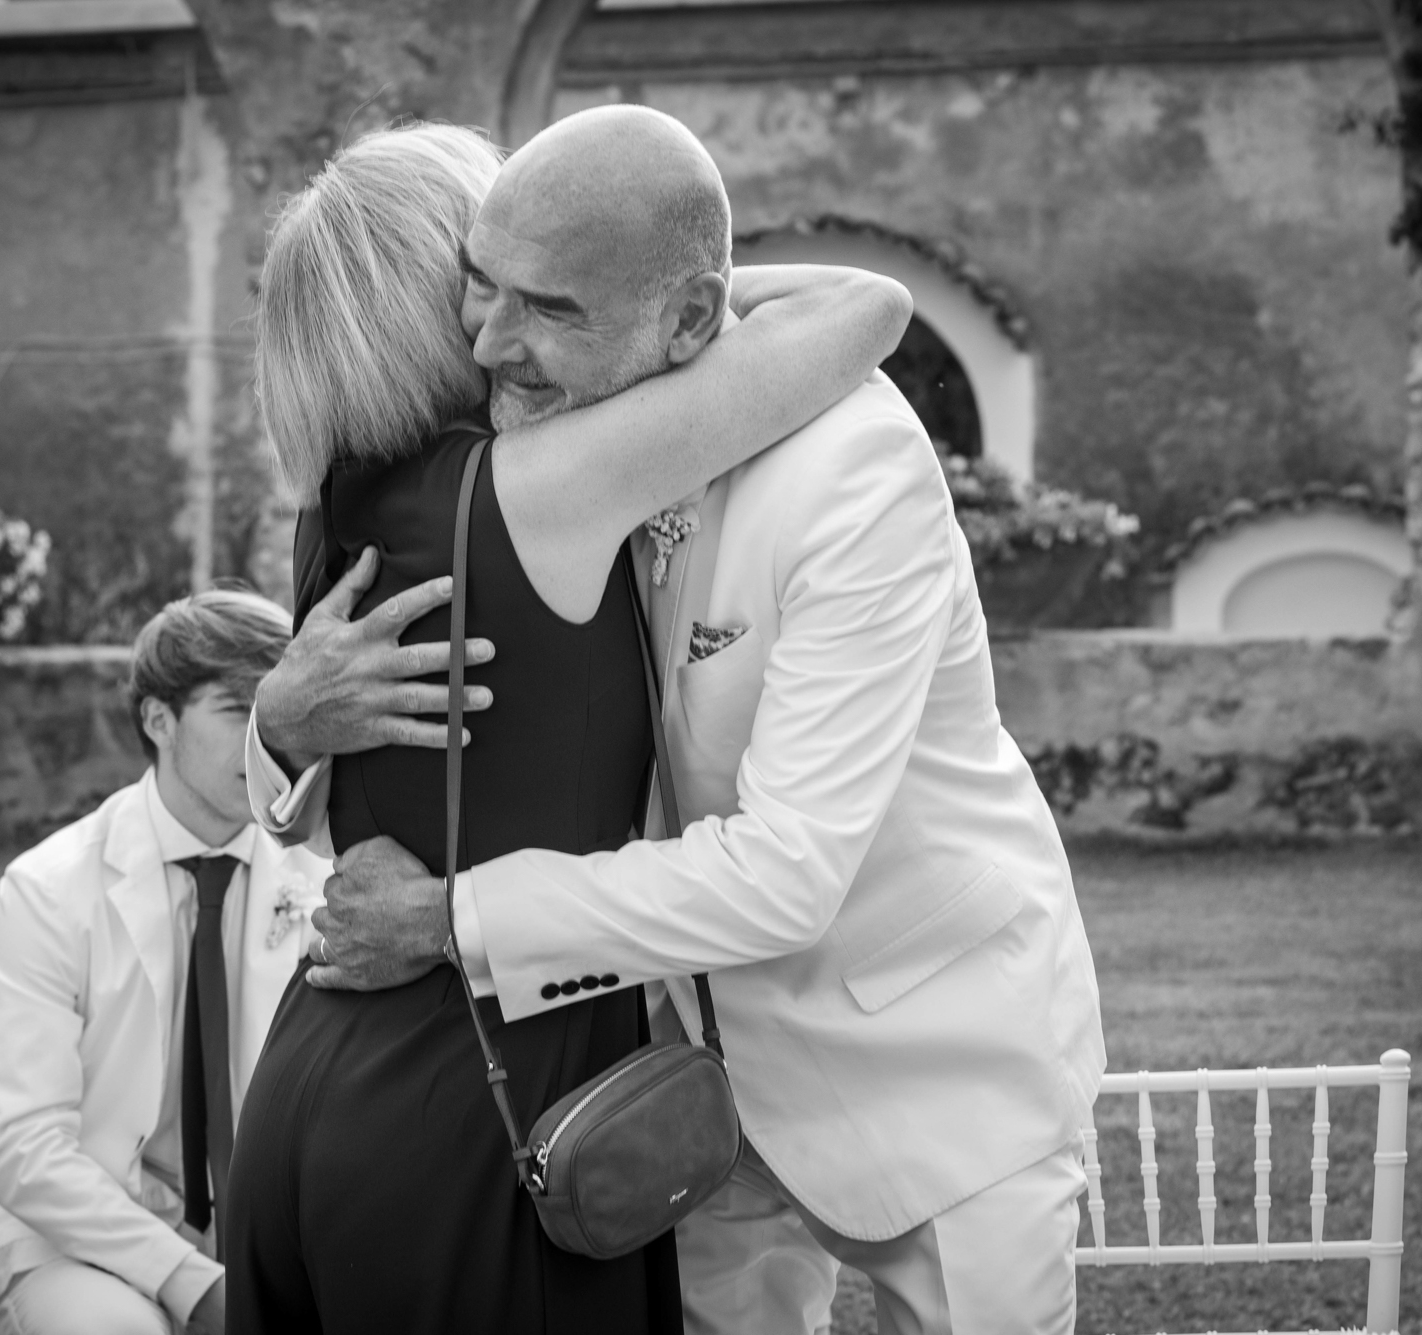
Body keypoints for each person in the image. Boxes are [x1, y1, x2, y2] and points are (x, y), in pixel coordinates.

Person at [257, 106, 1109, 1335]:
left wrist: (450, 918)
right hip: (673, 1088)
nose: (493, 346)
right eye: (479, 290)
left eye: (552, 309)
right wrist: (280, 723)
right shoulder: (546, 458)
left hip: (924, 1068)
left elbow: (786, 874)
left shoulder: (851, 470)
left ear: (695, 324)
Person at [0, 588, 330, 1335]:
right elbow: (21, 1147)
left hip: (272, 1232)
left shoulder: (322, 877)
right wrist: (190, 1280)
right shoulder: (49, 888)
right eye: (240, 710)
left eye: (281, 710)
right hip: (73, 1238)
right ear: (157, 720)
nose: (271, 743)